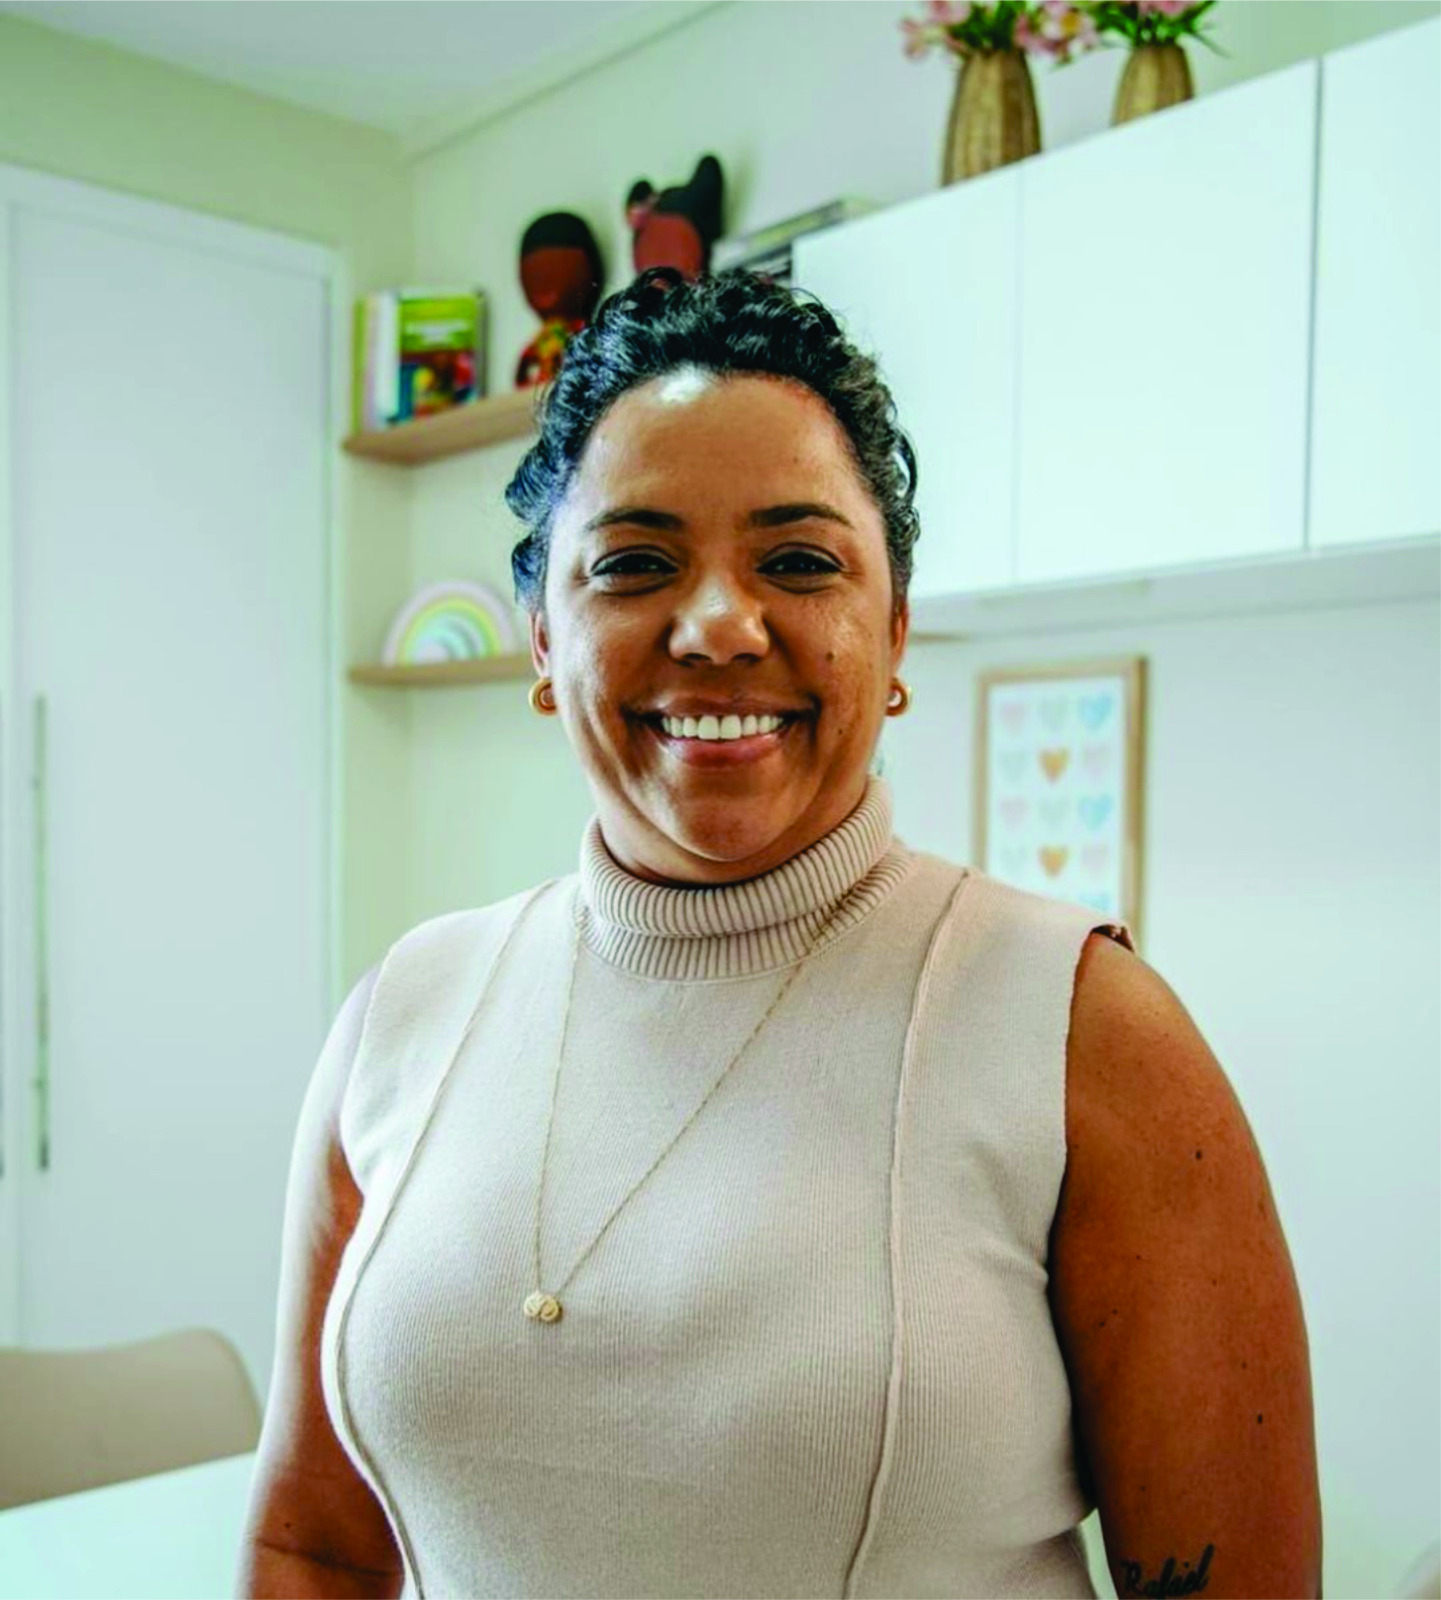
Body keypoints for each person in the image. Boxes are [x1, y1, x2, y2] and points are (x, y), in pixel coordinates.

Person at [238, 268, 1322, 1599]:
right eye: (634, 564)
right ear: (542, 641)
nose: (717, 627)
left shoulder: (1080, 1026)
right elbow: (309, 1546)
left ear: (895, 629)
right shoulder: (404, 1014)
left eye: (799, 562)